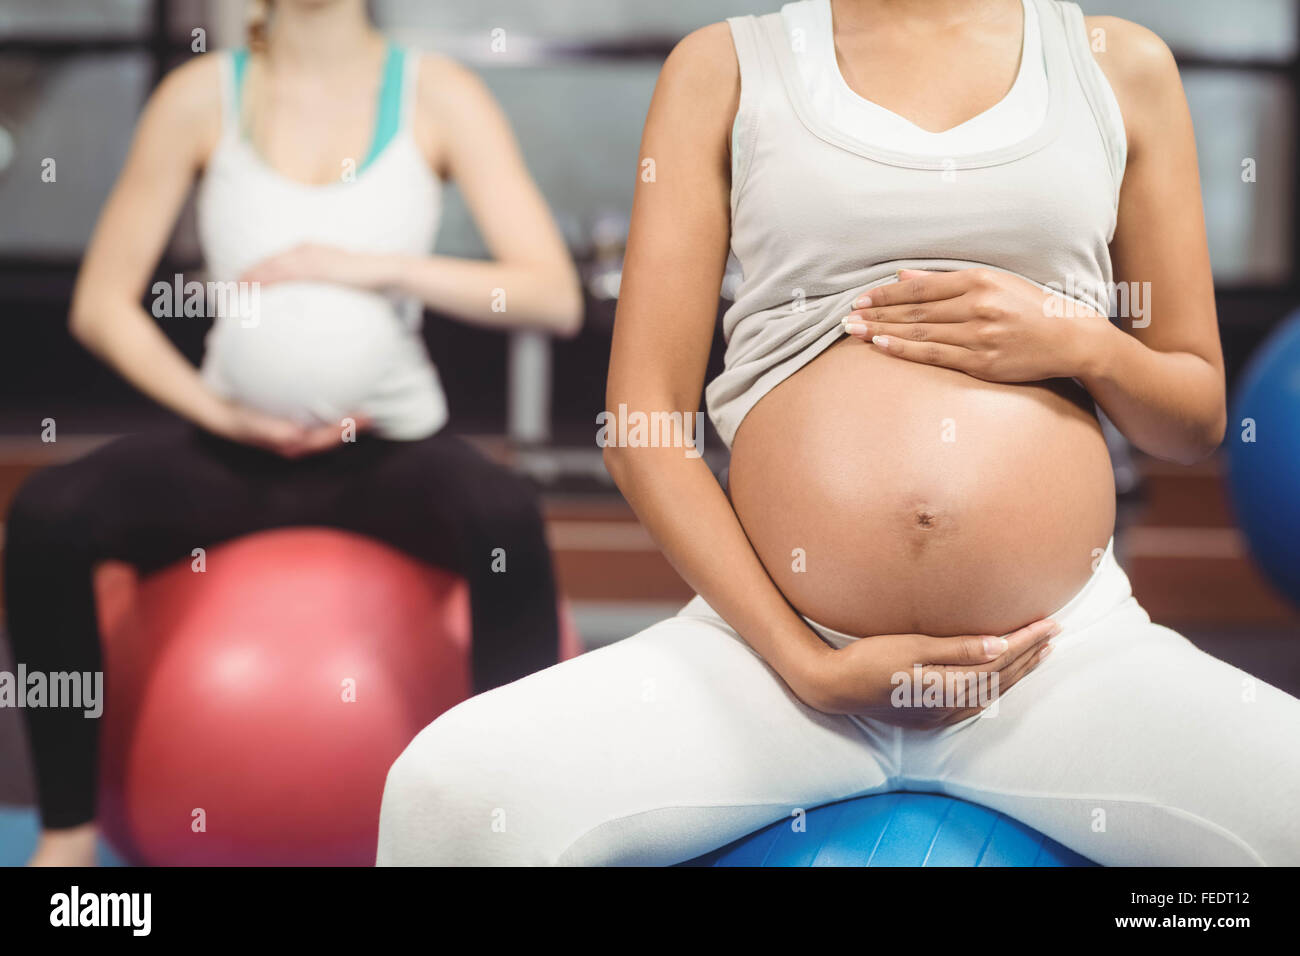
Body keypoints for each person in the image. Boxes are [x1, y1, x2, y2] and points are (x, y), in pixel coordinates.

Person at [376, 0, 1300, 866]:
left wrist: (1078, 342)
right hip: (775, 671)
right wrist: (807, 664)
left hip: (1053, 665)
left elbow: (1193, 420)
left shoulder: (1117, 65)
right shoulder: (727, 67)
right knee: (449, 796)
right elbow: (642, 425)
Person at [4, 0, 581, 866]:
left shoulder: (440, 95)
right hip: (232, 453)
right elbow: (101, 305)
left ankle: (513, 836)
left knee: (503, 517)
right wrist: (223, 413)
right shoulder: (201, 96)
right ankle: (68, 836)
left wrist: (362, 267)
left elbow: (551, 294)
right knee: (48, 514)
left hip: (385, 451)